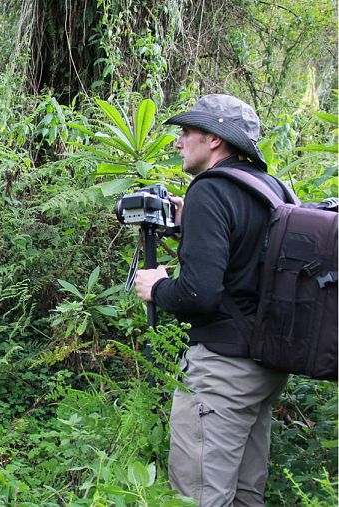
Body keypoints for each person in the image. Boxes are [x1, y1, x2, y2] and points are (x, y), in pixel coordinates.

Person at [133, 94, 291, 507]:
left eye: (187, 132)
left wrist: (157, 288)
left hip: (223, 373)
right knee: (244, 496)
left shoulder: (210, 190)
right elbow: (249, 262)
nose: (179, 142)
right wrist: (195, 227)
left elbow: (200, 293)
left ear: (216, 140)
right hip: (266, 367)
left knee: (199, 497)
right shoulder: (272, 190)